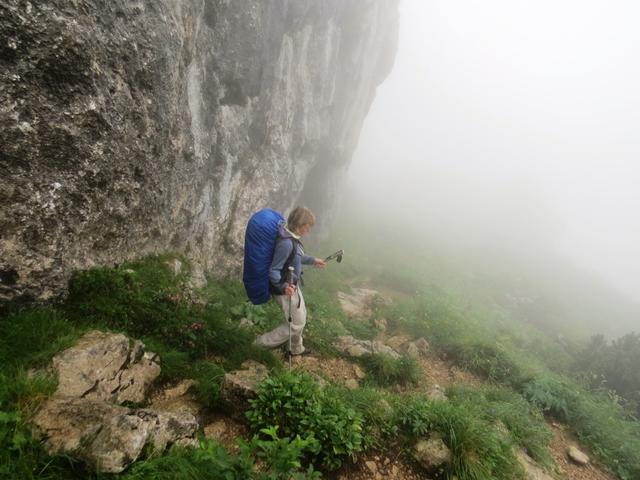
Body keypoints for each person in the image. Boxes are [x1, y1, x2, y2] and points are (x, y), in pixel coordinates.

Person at [255, 206, 326, 355]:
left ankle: (296, 349)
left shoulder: (291, 237)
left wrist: (313, 260)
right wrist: (283, 287)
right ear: (300, 225)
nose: (309, 230)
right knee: (296, 323)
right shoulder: (286, 243)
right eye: (308, 227)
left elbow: (296, 257)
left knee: (300, 317)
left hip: (292, 285)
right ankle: (258, 345)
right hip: (284, 289)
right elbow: (273, 270)